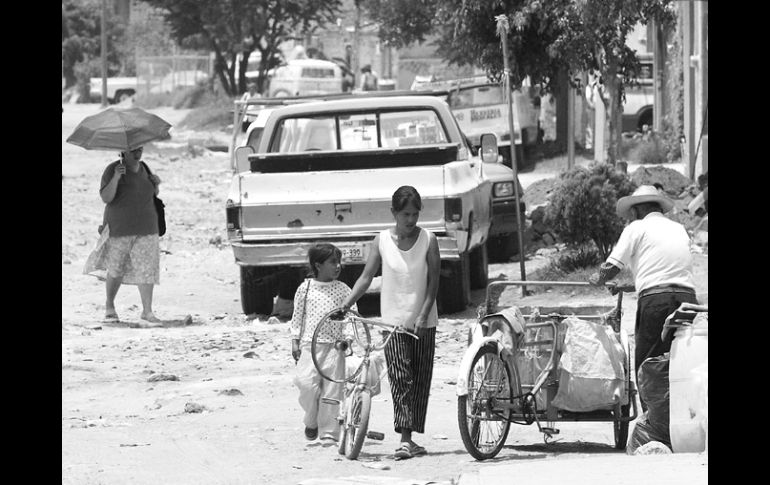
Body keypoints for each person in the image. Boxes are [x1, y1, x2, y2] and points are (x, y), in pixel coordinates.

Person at [340, 186, 440, 460]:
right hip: (393, 323)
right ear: (393, 212)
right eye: (405, 214)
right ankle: (405, 440)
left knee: (420, 380)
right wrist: (346, 304)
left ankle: (411, 437)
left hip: (423, 321)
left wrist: (423, 314)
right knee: (400, 378)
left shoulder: (429, 240)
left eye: (415, 214)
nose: (411, 220)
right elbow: (366, 277)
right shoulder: (381, 240)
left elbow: (434, 282)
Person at [589, 185, 698, 409]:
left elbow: (611, 267)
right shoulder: (678, 228)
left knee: (648, 365)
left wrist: (598, 279)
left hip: (656, 303)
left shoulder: (637, 227)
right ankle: (685, 418)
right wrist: (627, 286)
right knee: (684, 362)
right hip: (687, 300)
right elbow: (667, 273)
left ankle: (651, 427)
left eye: (631, 213)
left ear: (638, 210)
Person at [83, 146, 162, 326]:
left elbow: (151, 195)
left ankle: (147, 311)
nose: (138, 152)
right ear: (123, 151)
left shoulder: (145, 168)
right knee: (116, 269)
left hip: (147, 226)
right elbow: (106, 197)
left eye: (140, 148)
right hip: (119, 227)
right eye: (134, 149)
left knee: (147, 269)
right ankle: (110, 306)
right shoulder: (112, 169)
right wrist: (117, 177)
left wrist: (156, 185)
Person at [290, 244, 357, 446]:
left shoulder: (344, 289)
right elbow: (297, 317)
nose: (338, 266)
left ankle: (329, 432)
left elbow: (351, 317)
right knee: (306, 384)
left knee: (332, 391)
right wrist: (295, 340)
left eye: (339, 262)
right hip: (310, 345)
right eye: (332, 262)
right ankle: (311, 420)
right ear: (318, 265)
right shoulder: (306, 288)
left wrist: (347, 339)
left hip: (336, 347)